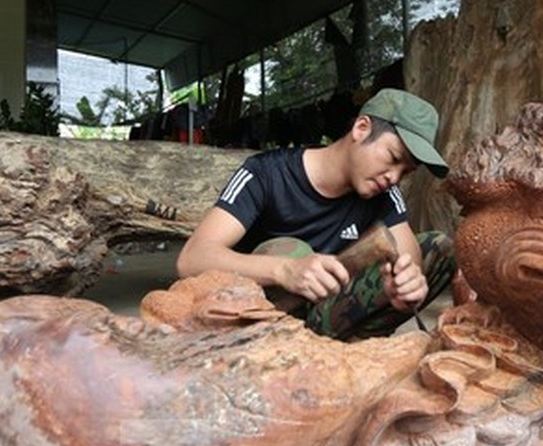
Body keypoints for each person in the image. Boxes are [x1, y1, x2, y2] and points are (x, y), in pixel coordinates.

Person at [176, 88, 457, 341]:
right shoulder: (264, 173)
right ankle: (285, 344)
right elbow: (192, 258)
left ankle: (355, 344)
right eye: (393, 158)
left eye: (405, 172)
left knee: (439, 248)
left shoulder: (385, 191)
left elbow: (410, 255)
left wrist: (407, 281)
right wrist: (284, 270)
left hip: (329, 315)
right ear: (361, 128)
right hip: (262, 315)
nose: (394, 177)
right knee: (290, 250)